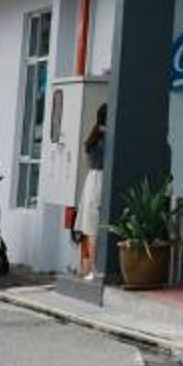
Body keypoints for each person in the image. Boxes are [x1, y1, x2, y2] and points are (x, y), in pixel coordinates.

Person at [73, 105, 108, 269]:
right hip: (102, 180)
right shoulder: (107, 137)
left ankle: (90, 268)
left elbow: (87, 161)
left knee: (91, 228)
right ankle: (95, 268)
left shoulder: (93, 136)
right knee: (97, 227)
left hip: (91, 180)